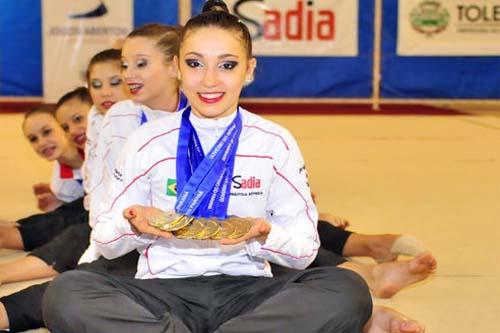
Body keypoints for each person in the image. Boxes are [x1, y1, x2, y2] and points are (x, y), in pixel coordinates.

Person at [42, 5, 425, 333]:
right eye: (195, 64)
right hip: (162, 290)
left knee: (346, 290)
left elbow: (305, 250)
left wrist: (265, 234)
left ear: (250, 70)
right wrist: (135, 224)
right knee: (66, 294)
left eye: (226, 65)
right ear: (177, 67)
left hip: (249, 292)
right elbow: (105, 237)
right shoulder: (146, 141)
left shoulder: (273, 142)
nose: (210, 80)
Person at [0, 49, 131, 332]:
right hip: (94, 218)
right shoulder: (89, 147)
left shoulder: (129, 131)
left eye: (49, 131)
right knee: (57, 221)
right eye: (64, 126)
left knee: (71, 230)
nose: (72, 130)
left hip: (106, 229)